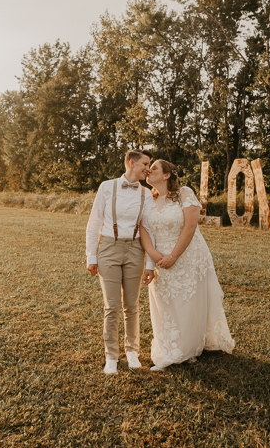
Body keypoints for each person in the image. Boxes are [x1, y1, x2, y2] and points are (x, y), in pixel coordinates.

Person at [138, 159, 235, 371]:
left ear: (166, 175)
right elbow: (143, 228)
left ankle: (185, 348)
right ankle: (168, 344)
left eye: (153, 168)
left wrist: (173, 255)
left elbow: (191, 225)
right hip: (160, 259)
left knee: (186, 300)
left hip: (187, 255)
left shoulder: (184, 193)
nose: (148, 170)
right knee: (164, 300)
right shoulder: (148, 199)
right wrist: (154, 254)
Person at [86, 150, 157, 374]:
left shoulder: (146, 194)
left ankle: (132, 352)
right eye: (146, 164)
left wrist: (150, 264)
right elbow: (94, 221)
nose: (148, 168)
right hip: (109, 248)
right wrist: (91, 255)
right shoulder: (107, 187)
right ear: (132, 163)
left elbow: (149, 229)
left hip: (135, 249)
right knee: (112, 306)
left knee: (132, 306)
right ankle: (111, 356)